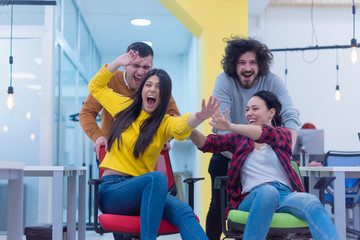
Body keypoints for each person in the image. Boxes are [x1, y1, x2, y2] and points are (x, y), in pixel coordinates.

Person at [88, 50, 219, 240]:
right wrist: (117, 62)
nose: (152, 90)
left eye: (158, 88)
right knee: (157, 178)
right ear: (142, 90)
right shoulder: (124, 107)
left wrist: (197, 117)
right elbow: (96, 86)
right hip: (112, 191)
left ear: (164, 95)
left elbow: (181, 127)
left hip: (145, 192)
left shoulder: (164, 123)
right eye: (148, 85)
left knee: (184, 211)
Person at [190, 91, 339, 240]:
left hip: (285, 195)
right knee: (268, 192)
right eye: (247, 110)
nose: (249, 113)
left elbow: (263, 134)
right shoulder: (238, 139)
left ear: (271, 112)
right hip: (251, 197)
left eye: (255, 109)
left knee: (312, 202)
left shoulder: (283, 135)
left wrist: (231, 125)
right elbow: (207, 143)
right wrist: (187, 126)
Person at [206, 36, 301, 240]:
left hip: (267, 153)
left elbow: (291, 116)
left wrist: (286, 149)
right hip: (230, 153)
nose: (247, 67)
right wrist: (243, 156)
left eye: (252, 62)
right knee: (217, 205)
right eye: (242, 63)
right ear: (234, 65)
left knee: (274, 200)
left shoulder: (273, 80)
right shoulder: (224, 80)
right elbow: (222, 127)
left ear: (260, 65)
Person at [79, 42, 180, 160]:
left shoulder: (157, 87)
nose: (141, 72)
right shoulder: (110, 80)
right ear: (125, 65)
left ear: (151, 66)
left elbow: (174, 117)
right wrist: (99, 138)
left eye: (146, 67)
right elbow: (86, 113)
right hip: (111, 153)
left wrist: (165, 138)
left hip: (146, 154)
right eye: (136, 66)